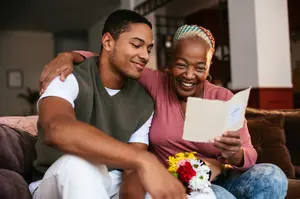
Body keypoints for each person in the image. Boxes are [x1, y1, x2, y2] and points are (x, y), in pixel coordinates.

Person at [40, 24, 288, 199]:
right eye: (181, 65)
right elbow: (110, 58)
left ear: (209, 66)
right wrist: (69, 55)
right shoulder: (154, 83)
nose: (189, 75)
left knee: (273, 176)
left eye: (199, 67)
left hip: (219, 174)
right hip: (180, 180)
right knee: (217, 197)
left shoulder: (223, 98)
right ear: (169, 63)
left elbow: (250, 156)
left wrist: (235, 155)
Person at [31, 9, 188, 199]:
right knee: (79, 166)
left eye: (148, 48)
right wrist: (143, 159)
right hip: (59, 178)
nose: (145, 56)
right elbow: (57, 130)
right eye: (136, 45)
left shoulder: (144, 103)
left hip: (113, 183)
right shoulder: (67, 77)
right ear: (107, 42)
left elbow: (132, 171)